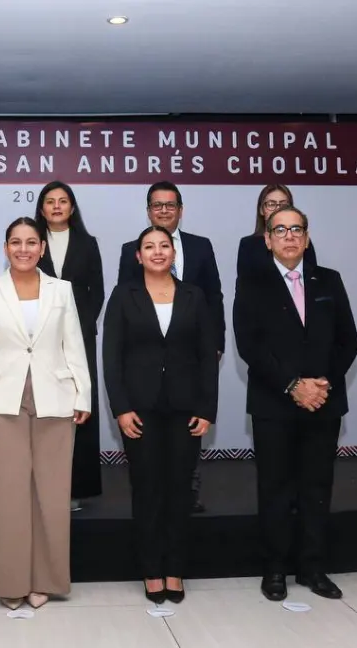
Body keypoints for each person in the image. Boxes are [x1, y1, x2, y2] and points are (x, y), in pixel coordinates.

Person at [233, 205, 357, 602]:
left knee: (317, 488)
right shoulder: (251, 282)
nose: (289, 236)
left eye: (297, 229)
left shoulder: (329, 280)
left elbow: (348, 342)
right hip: (274, 403)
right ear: (267, 238)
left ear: (306, 238)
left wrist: (320, 386)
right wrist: (292, 386)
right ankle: (274, 571)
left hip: (323, 402)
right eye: (280, 229)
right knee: (275, 489)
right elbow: (249, 344)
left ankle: (313, 568)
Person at [0, 217, 91, 610]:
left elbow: (74, 343)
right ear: (5, 248)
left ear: (42, 248)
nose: (24, 249)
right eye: (16, 242)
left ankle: (47, 581)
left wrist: (83, 394)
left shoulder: (61, 290)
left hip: (55, 399)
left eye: (31, 242)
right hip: (1, 402)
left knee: (52, 495)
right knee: (8, 496)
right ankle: (13, 583)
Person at [104, 226, 218, 603]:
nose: (157, 252)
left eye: (163, 246)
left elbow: (207, 357)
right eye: (149, 247)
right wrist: (120, 408)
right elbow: (111, 358)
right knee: (148, 490)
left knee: (179, 490)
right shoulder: (123, 296)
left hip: (186, 410)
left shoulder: (194, 296)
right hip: (140, 411)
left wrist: (206, 408)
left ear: (173, 253)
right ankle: (151, 569)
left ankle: (175, 568)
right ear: (138, 256)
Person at [115, 181, 224, 514]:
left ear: (181, 210)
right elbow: (125, 303)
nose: (164, 210)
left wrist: (216, 343)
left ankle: (189, 492)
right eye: (157, 205)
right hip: (146, 367)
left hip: (190, 357)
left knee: (187, 436)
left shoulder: (201, 247)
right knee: (149, 459)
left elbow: (214, 296)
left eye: (170, 205)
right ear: (149, 210)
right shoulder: (130, 249)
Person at [35, 181, 104, 509]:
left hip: (79, 338)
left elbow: (97, 292)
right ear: (42, 208)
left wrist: (79, 328)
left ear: (72, 208)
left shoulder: (88, 243)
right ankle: (43, 484)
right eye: (51, 201)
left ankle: (77, 488)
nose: (57, 206)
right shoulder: (31, 241)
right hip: (38, 338)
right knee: (44, 409)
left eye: (63, 201)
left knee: (79, 408)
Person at [236, 184, 318, 281]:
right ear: (261, 210)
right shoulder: (248, 245)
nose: (277, 209)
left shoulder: (301, 240)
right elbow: (244, 287)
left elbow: (312, 281)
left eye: (284, 205)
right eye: (271, 204)